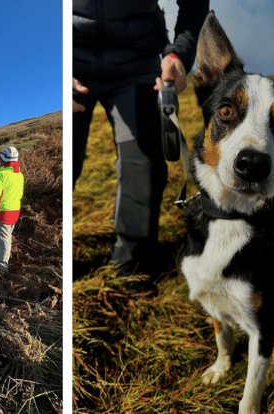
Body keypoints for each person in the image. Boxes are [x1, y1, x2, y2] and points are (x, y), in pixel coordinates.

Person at [72, 0, 209, 276]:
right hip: (70, 62)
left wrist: (179, 55)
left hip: (137, 65)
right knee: (64, 161)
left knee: (143, 168)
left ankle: (132, 268)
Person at [0, 147, 24, 275]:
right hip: (14, 212)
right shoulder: (19, 175)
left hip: (2, 213)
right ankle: (1, 262)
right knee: (6, 239)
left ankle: (1, 271)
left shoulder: (0, 176)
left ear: (2, 159)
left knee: (3, 241)